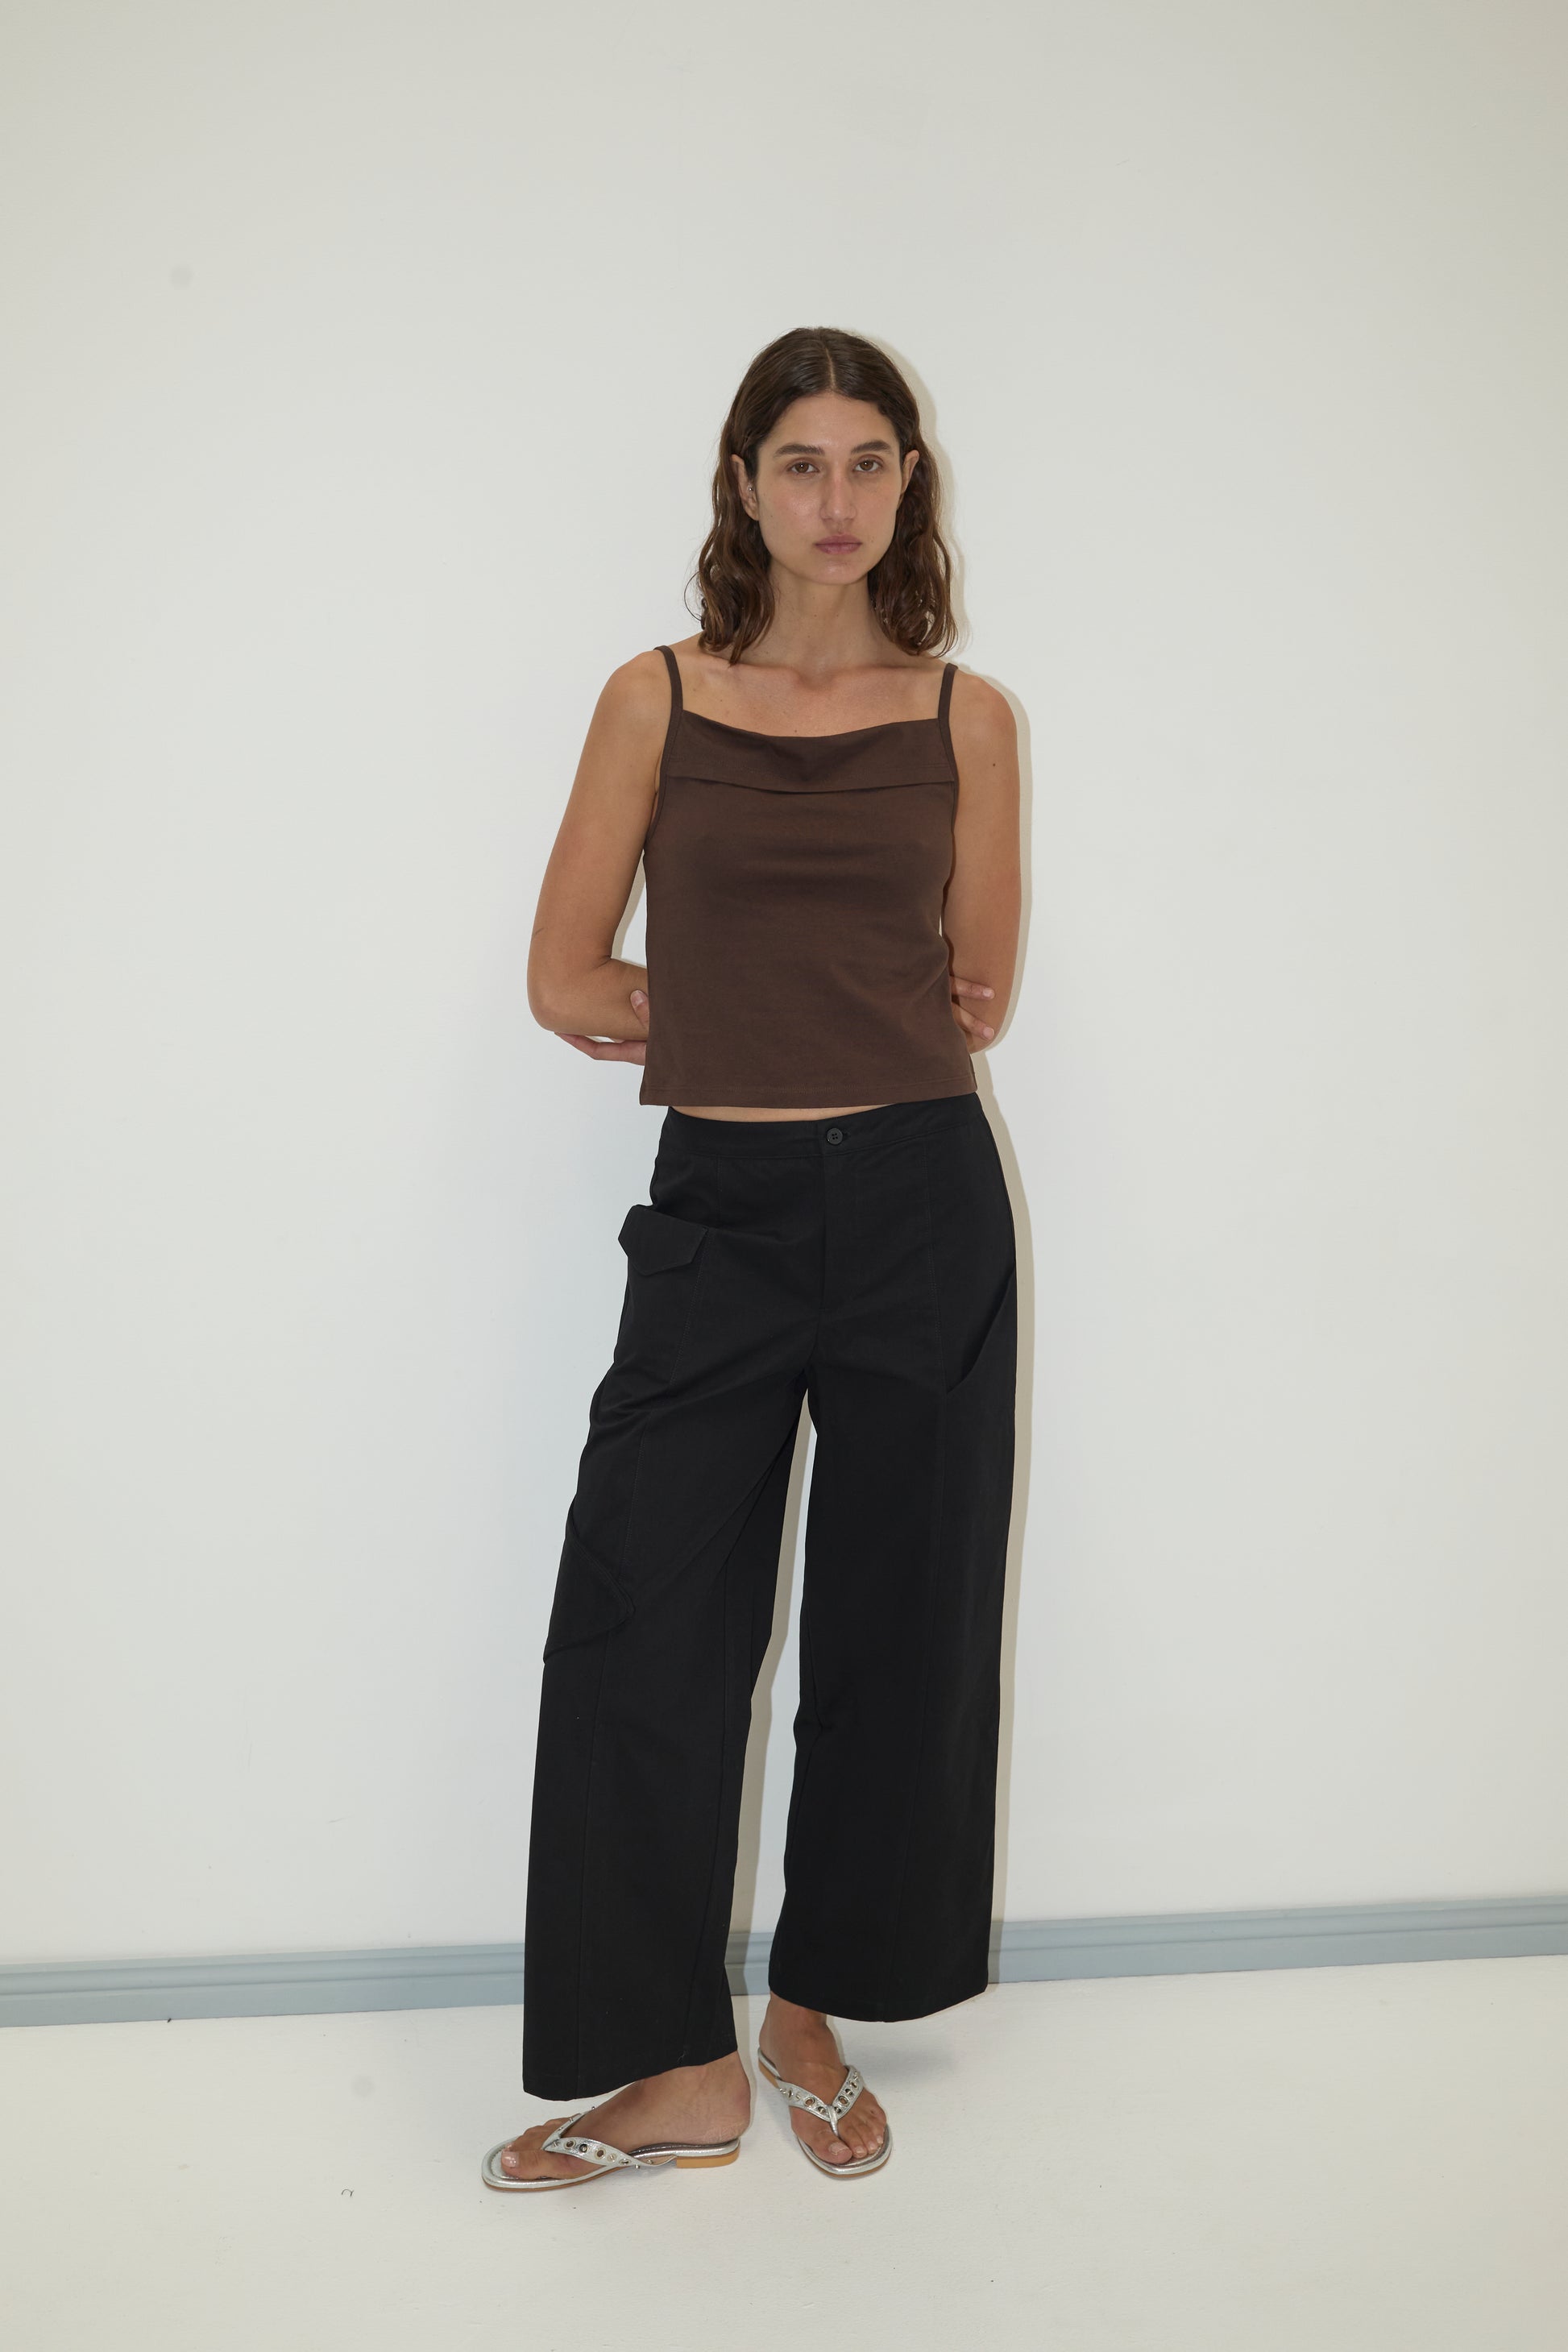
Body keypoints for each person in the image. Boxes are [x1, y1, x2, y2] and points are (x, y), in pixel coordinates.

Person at [483, 326, 1022, 2191]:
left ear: (905, 490)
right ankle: (673, 2064)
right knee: (641, 1624)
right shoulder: (656, 694)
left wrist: (800, 1007)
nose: (837, 498)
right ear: (742, 484)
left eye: (872, 461)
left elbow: (975, 991)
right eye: (802, 461)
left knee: (902, 1628)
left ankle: (812, 2012)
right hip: (717, 1211)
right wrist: (714, 1009)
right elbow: (563, 977)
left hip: (922, 1211)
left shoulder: (968, 717)